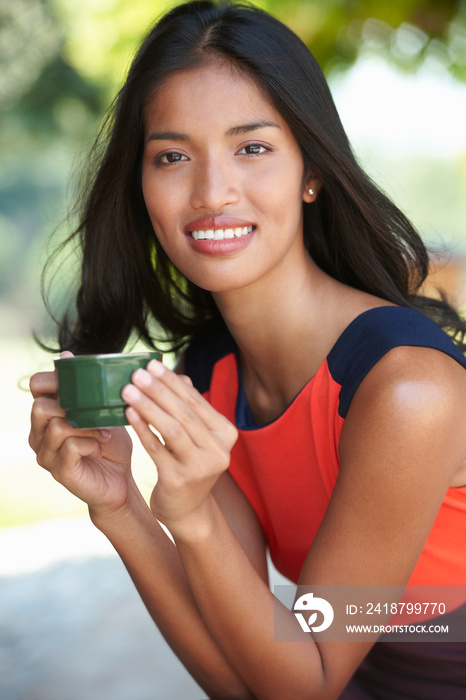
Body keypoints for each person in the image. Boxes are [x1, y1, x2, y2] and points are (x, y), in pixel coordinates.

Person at [29, 1, 466, 697]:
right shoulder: (210, 375)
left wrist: (194, 515)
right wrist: (119, 510)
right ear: (142, 188)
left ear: (311, 172)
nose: (211, 193)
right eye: (172, 156)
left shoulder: (406, 389)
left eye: (252, 148)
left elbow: (311, 679)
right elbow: (247, 681)